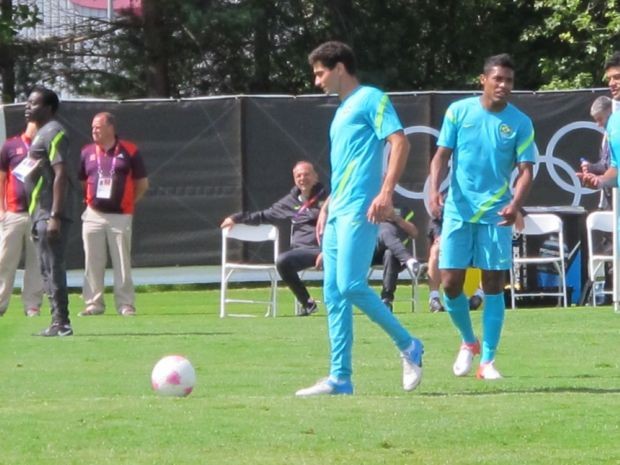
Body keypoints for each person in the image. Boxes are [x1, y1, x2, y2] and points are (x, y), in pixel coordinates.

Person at [296, 41, 424, 396]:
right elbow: (345, 168)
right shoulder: (340, 111)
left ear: (339, 68)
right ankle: (340, 378)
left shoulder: (371, 98)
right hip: (339, 210)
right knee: (334, 293)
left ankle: (409, 344)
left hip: (360, 208)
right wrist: (326, 206)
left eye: (320, 73)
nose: (316, 80)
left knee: (351, 285)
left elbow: (400, 143)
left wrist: (385, 193)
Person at [429, 53, 535, 380]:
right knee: (449, 283)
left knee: (492, 284)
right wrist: (434, 189)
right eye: (498, 79)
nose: (503, 85)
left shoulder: (520, 122)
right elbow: (442, 155)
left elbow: (527, 169)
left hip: (495, 214)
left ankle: (487, 362)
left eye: (509, 81)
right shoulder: (459, 112)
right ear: (483, 80)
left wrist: (515, 203)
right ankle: (468, 341)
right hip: (458, 211)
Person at [220, 160, 327, 316]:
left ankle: (350, 303)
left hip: (328, 249)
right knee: (282, 261)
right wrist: (236, 218)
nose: (303, 178)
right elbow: (265, 215)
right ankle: (307, 303)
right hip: (303, 251)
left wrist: (326, 250)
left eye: (307, 174)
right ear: (294, 179)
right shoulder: (290, 201)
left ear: (315, 176)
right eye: (298, 175)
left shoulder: (329, 198)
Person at [78, 112, 149, 317]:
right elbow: (83, 181)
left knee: (121, 262)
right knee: (92, 261)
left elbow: (142, 184)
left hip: (120, 215)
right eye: (92, 127)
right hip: (93, 214)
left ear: (111, 128)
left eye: (98, 127)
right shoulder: (87, 152)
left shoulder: (129, 150)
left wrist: (127, 203)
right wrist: (92, 201)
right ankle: (93, 304)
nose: (94, 131)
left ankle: (125, 304)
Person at [24, 86, 76, 337]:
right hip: (39, 212)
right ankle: (57, 321)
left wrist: (54, 215)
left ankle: (62, 323)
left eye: (33, 103)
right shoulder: (40, 133)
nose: (27, 106)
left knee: (53, 266)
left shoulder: (54, 132)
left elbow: (61, 173)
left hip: (49, 212)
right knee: (46, 267)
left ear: (49, 108)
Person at [0, 121, 44, 317]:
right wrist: (1, 209)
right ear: (29, 123)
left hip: (37, 212)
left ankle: (32, 304)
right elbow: (1, 179)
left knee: (36, 261)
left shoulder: (46, 146)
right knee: (4, 259)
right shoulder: (10, 145)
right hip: (14, 212)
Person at [370, 208, 420, 312]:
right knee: (385, 231)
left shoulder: (403, 208)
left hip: (395, 256)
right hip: (371, 252)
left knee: (390, 253)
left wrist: (396, 218)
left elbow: (414, 233)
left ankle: (386, 299)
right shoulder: (370, 202)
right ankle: (409, 261)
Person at [580, 96, 613, 210]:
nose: (598, 124)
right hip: (610, 203)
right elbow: (606, 165)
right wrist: (591, 167)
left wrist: (600, 181)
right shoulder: (606, 135)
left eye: (600, 119)